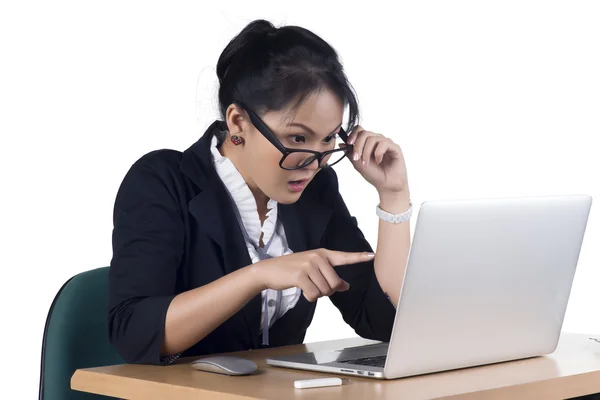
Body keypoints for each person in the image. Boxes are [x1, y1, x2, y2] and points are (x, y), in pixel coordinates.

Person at [107, 18, 412, 366]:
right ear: (238, 123)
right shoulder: (162, 181)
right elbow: (133, 332)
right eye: (298, 138)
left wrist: (393, 196)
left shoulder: (316, 190)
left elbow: (384, 319)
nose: (315, 162)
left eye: (328, 139)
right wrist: (259, 275)